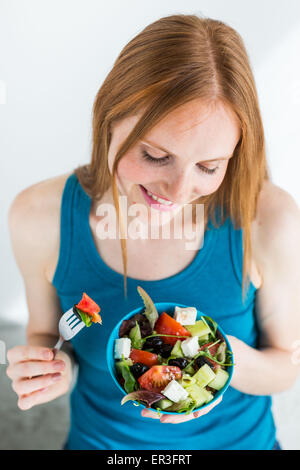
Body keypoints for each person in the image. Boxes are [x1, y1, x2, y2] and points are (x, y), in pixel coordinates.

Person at [6, 14, 300, 450]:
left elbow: (287, 365)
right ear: (109, 120)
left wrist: (223, 362)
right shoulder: (38, 216)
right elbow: (48, 338)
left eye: (209, 167)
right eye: (156, 155)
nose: (178, 191)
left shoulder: (271, 218)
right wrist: (53, 370)